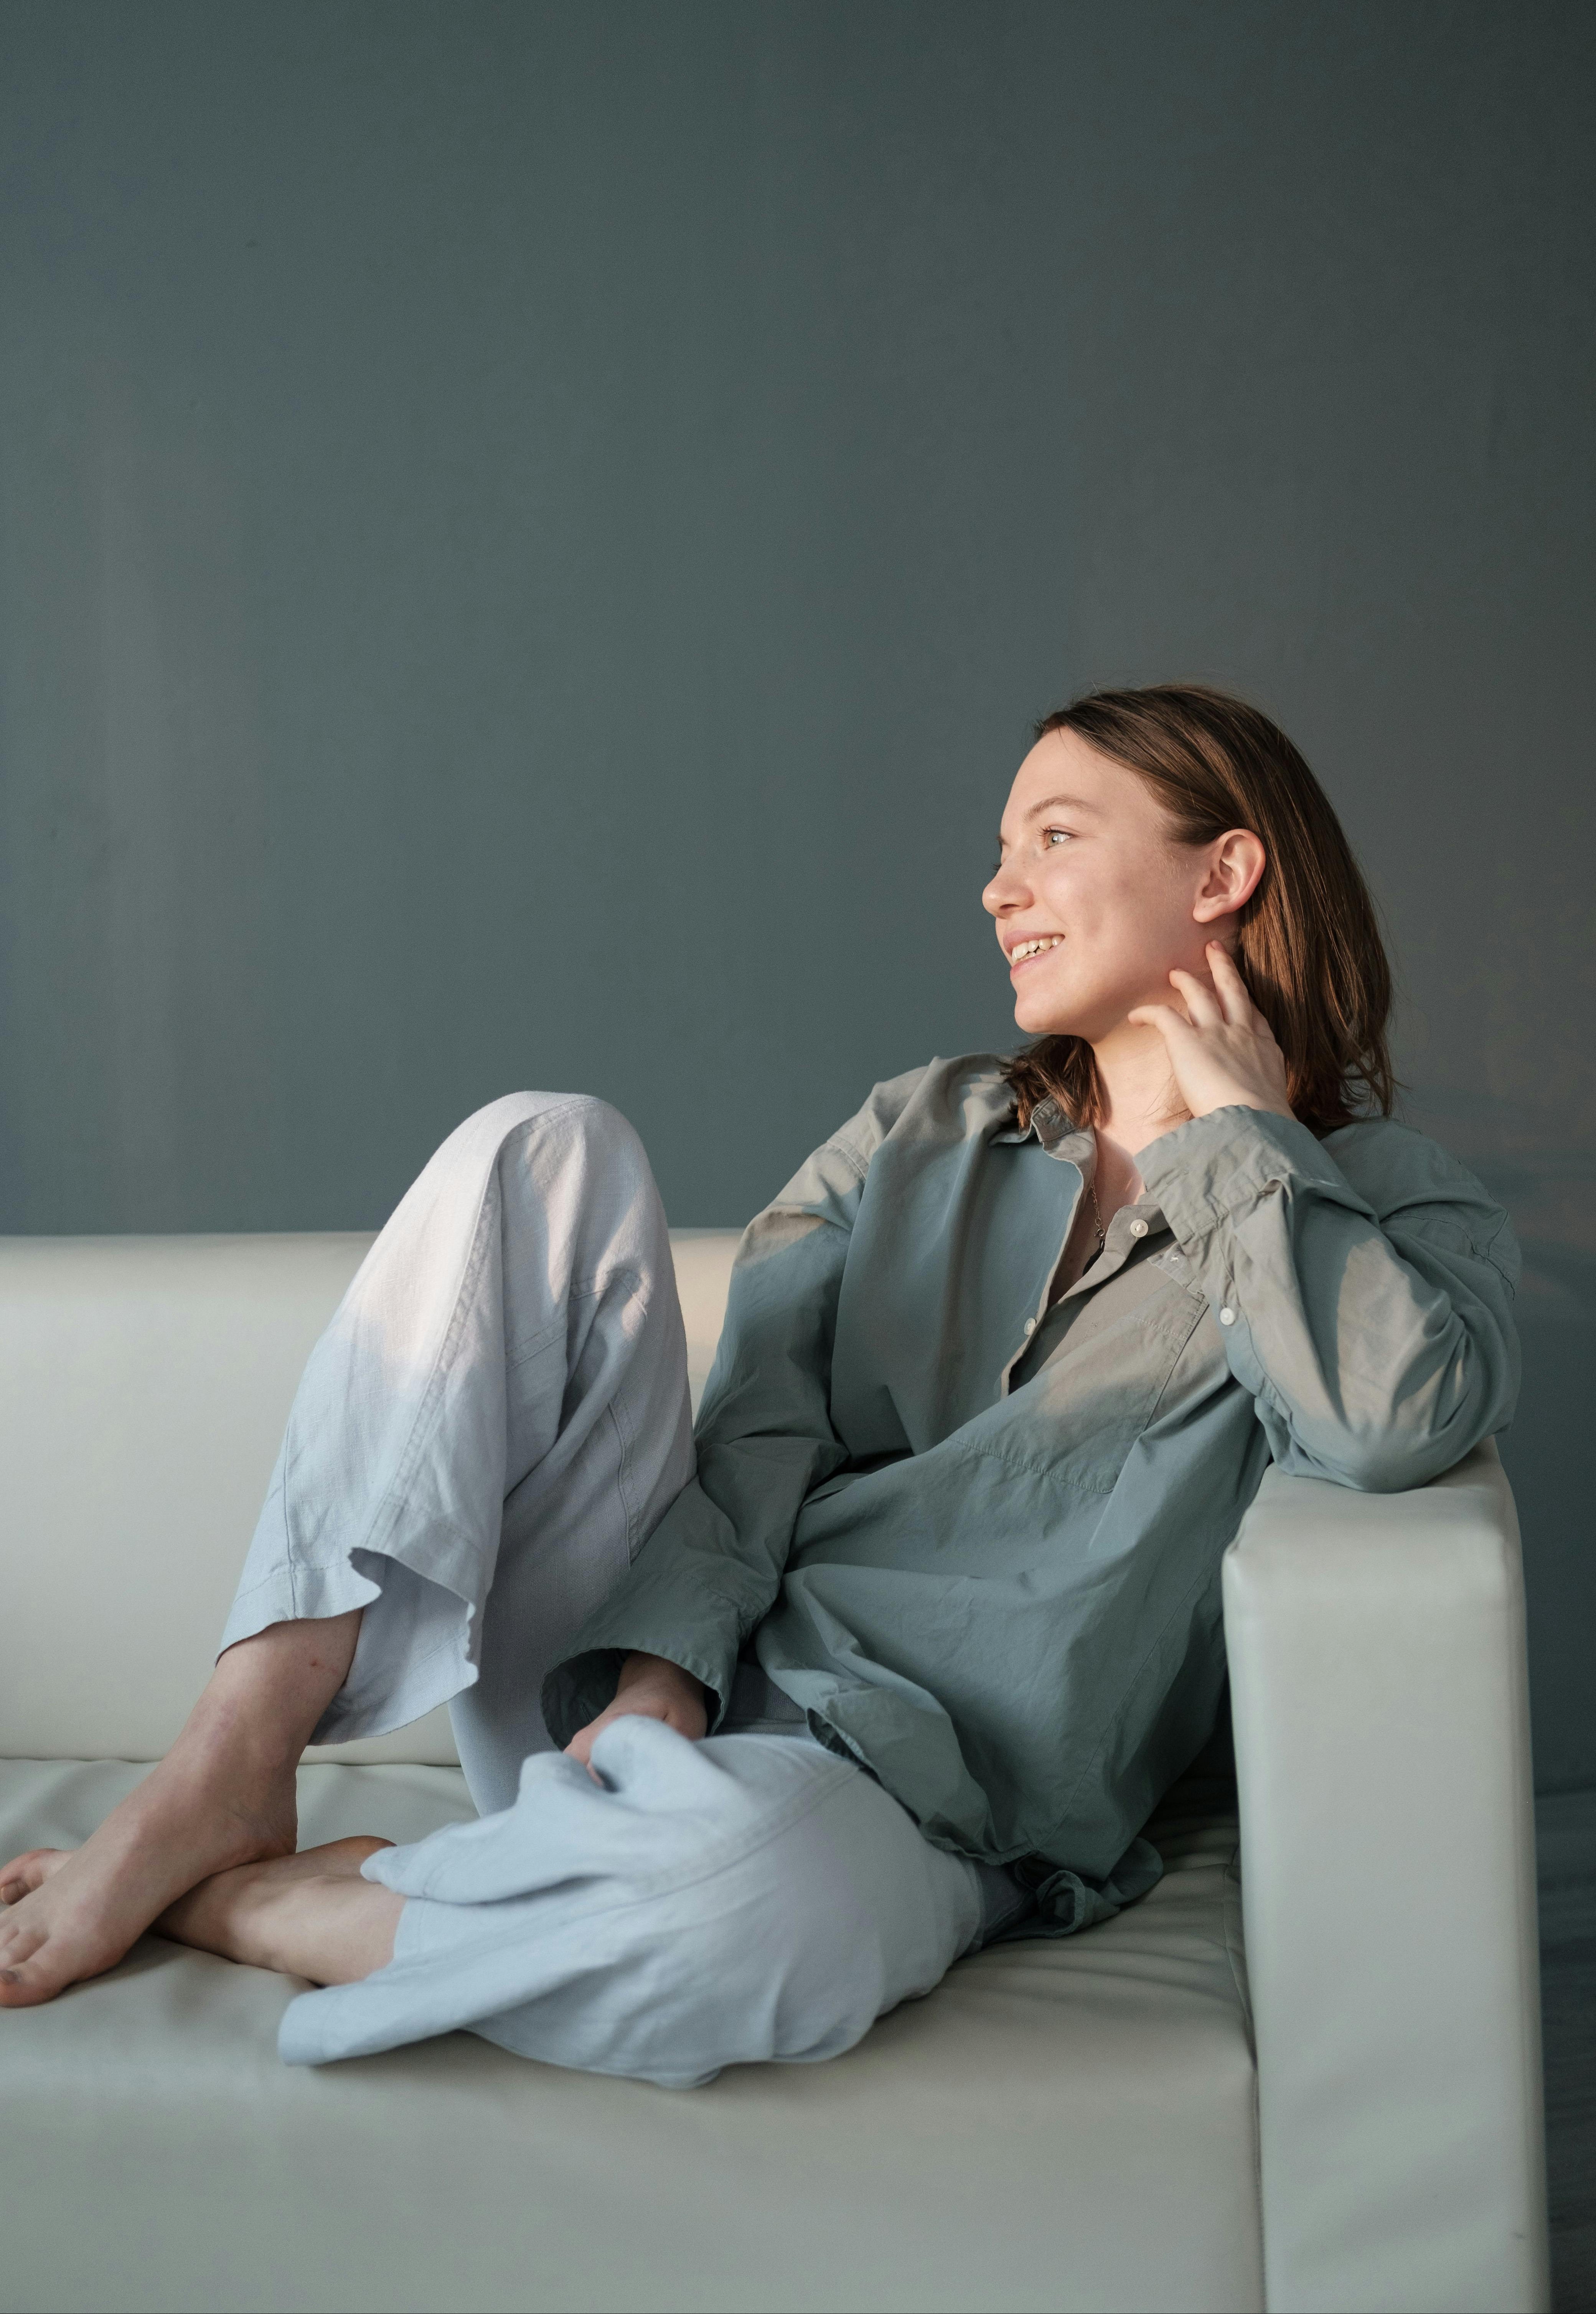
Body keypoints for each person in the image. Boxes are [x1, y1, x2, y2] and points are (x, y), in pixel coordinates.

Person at [0, 684, 1519, 2088]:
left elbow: (1391, 1419)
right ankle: (232, 1761)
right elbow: (758, 1424)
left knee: (735, 1915)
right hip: (642, 1685)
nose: (1000, 889)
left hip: (922, 1796)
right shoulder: (923, 1126)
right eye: (1001, 851)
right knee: (545, 1144)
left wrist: (1239, 1141)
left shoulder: (1383, 1204)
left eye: (1054, 839)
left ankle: (266, 1900)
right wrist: (656, 1677)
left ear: (1223, 871)